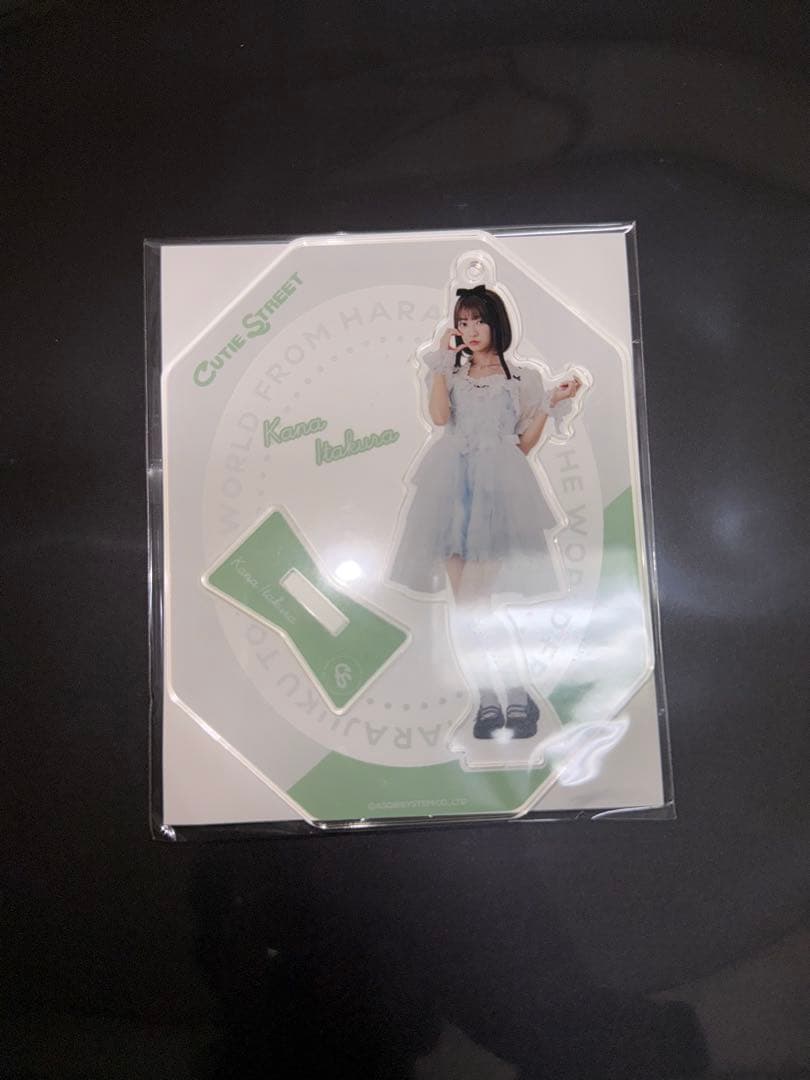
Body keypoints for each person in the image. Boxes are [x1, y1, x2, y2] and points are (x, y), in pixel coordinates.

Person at [389, 284, 584, 741]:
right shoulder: (451, 374)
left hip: (496, 493)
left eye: (478, 320)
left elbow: (523, 445)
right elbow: (440, 418)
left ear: (496, 322)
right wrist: (442, 361)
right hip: (450, 491)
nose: (471, 329)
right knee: (466, 608)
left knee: (476, 603)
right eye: (463, 322)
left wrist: (549, 404)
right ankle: (488, 701)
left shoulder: (522, 378)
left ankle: (513, 693)